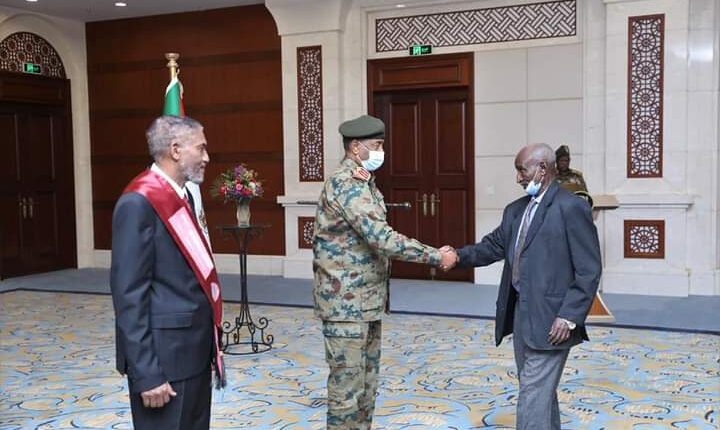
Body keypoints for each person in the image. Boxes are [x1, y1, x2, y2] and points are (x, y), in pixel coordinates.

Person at [441, 143, 601, 430]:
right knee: (538, 390)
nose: (518, 178)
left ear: (542, 168)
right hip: (521, 316)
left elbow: (589, 270)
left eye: (521, 170)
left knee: (532, 393)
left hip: (554, 320)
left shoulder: (571, 207)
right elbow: (492, 246)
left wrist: (569, 316)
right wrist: (457, 256)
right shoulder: (515, 211)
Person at [313, 114, 456, 430]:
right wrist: (436, 256)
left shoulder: (364, 180)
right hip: (346, 306)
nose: (381, 152)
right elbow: (382, 238)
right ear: (356, 147)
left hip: (365, 303)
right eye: (376, 145)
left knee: (366, 389)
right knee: (347, 395)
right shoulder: (346, 184)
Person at [110, 115, 225, 430]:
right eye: (200, 148)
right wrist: (147, 373)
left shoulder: (181, 196)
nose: (206, 157)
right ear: (175, 150)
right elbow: (129, 295)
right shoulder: (138, 202)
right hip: (163, 365)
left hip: (192, 355)